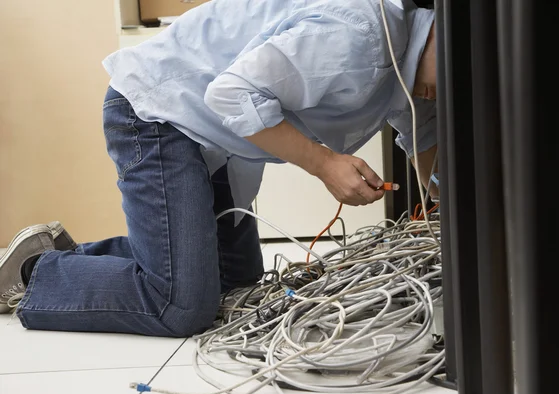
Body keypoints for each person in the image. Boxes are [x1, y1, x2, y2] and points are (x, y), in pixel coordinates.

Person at [0, 0, 437, 337]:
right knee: (179, 305)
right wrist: (325, 164)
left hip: (213, 138)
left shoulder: (417, 72)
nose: (450, 90)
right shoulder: (362, 34)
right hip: (160, 111)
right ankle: (28, 272)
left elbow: (425, 139)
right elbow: (230, 93)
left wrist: (437, 218)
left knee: (235, 281)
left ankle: (55, 253)